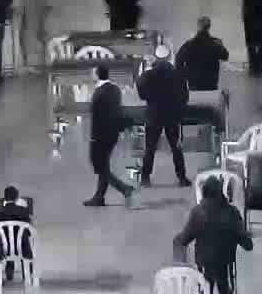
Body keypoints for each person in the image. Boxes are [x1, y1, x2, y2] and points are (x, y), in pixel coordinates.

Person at [173, 177, 254, 294]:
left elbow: (183, 240)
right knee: (224, 284)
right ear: (221, 193)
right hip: (224, 265)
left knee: (204, 285)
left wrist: (181, 263)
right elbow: (248, 245)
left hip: (204, 264)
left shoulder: (197, 213)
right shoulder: (231, 212)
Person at [137, 45, 191, 188]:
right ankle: (182, 178)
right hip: (172, 115)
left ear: (156, 57)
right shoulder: (177, 74)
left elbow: (141, 95)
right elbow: (185, 96)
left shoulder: (148, 75)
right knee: (176, 147)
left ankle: (145, 178)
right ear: (169, 57)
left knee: (150, 147)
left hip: (154, 115)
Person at [83, 66, 137, 208]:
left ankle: (124, 188)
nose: (91, 75)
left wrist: (93, 137)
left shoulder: (99, 93)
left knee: (99, 165)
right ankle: (99, 197)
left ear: (97, 75)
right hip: (112, 133)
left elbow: (98, 118)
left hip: (100, 135)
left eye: (92, 73)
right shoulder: (114, 89)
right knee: (103, 165)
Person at [0, 187, 34, 281]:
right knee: (22, 240)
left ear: (5, 198)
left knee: (2, 241)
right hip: (22, 248)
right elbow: (29, 232)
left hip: (2, 249)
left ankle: (5, 272)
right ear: (17, 198)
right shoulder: (24, 211)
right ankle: (27, 275)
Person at [176, 18, 231, 93]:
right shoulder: (215, 43)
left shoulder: (189, 44)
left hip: (194, 85)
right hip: (211, 84)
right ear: (209, 27)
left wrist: (187, 75)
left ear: (198, 26)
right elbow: (225, 56)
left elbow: (178, 62)